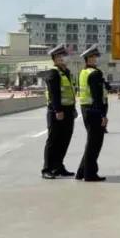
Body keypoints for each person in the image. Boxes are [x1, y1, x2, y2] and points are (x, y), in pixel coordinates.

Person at [42, 44, 76, 179]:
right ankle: (47, 169)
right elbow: (54, 93)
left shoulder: (65, 72)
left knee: (65, 139)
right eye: (59, 57)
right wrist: (58, 110)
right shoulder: (53, 73)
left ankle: (58, 166)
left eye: (63, 56)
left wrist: (73, 109)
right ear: (54, 59)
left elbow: (70, 93)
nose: (62, 59)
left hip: (68, 111)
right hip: (56, 111)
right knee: (53, 140)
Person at [74, 44, 108, 182]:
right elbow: (97, 96)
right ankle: (90, 174)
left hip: (86, 109)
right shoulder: (95, 73)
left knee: (91, 142)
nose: (95, 60)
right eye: (92, 57)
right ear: (87, 59)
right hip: (94, 110)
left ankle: (81, 172)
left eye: (95, 57)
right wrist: (103, 115)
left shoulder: (83, 72)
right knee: (94, 144)